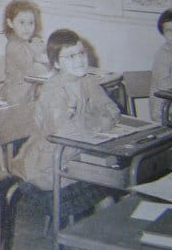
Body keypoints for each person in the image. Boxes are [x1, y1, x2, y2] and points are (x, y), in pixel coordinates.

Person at [14, 29, 120, 191]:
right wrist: (97, 123)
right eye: (71, 56)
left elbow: (112, 110)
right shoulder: (53, 89)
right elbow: (62, 132)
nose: (79, 60)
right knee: (106, 184)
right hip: (54, 162)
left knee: (114, 177)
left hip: (80, 152)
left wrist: (92, 123)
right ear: (56, 63)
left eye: (81, 53)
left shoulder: (87, 81)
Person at [0, 0, 51, 104]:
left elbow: (39, 57)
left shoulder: (27, 42)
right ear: (10, 23)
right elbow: (32, 70)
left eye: (31, 23)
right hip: (15, 98)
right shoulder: (14, 46)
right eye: (22, 23)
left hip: (28, 94)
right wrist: (50, 64)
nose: (27, 28)